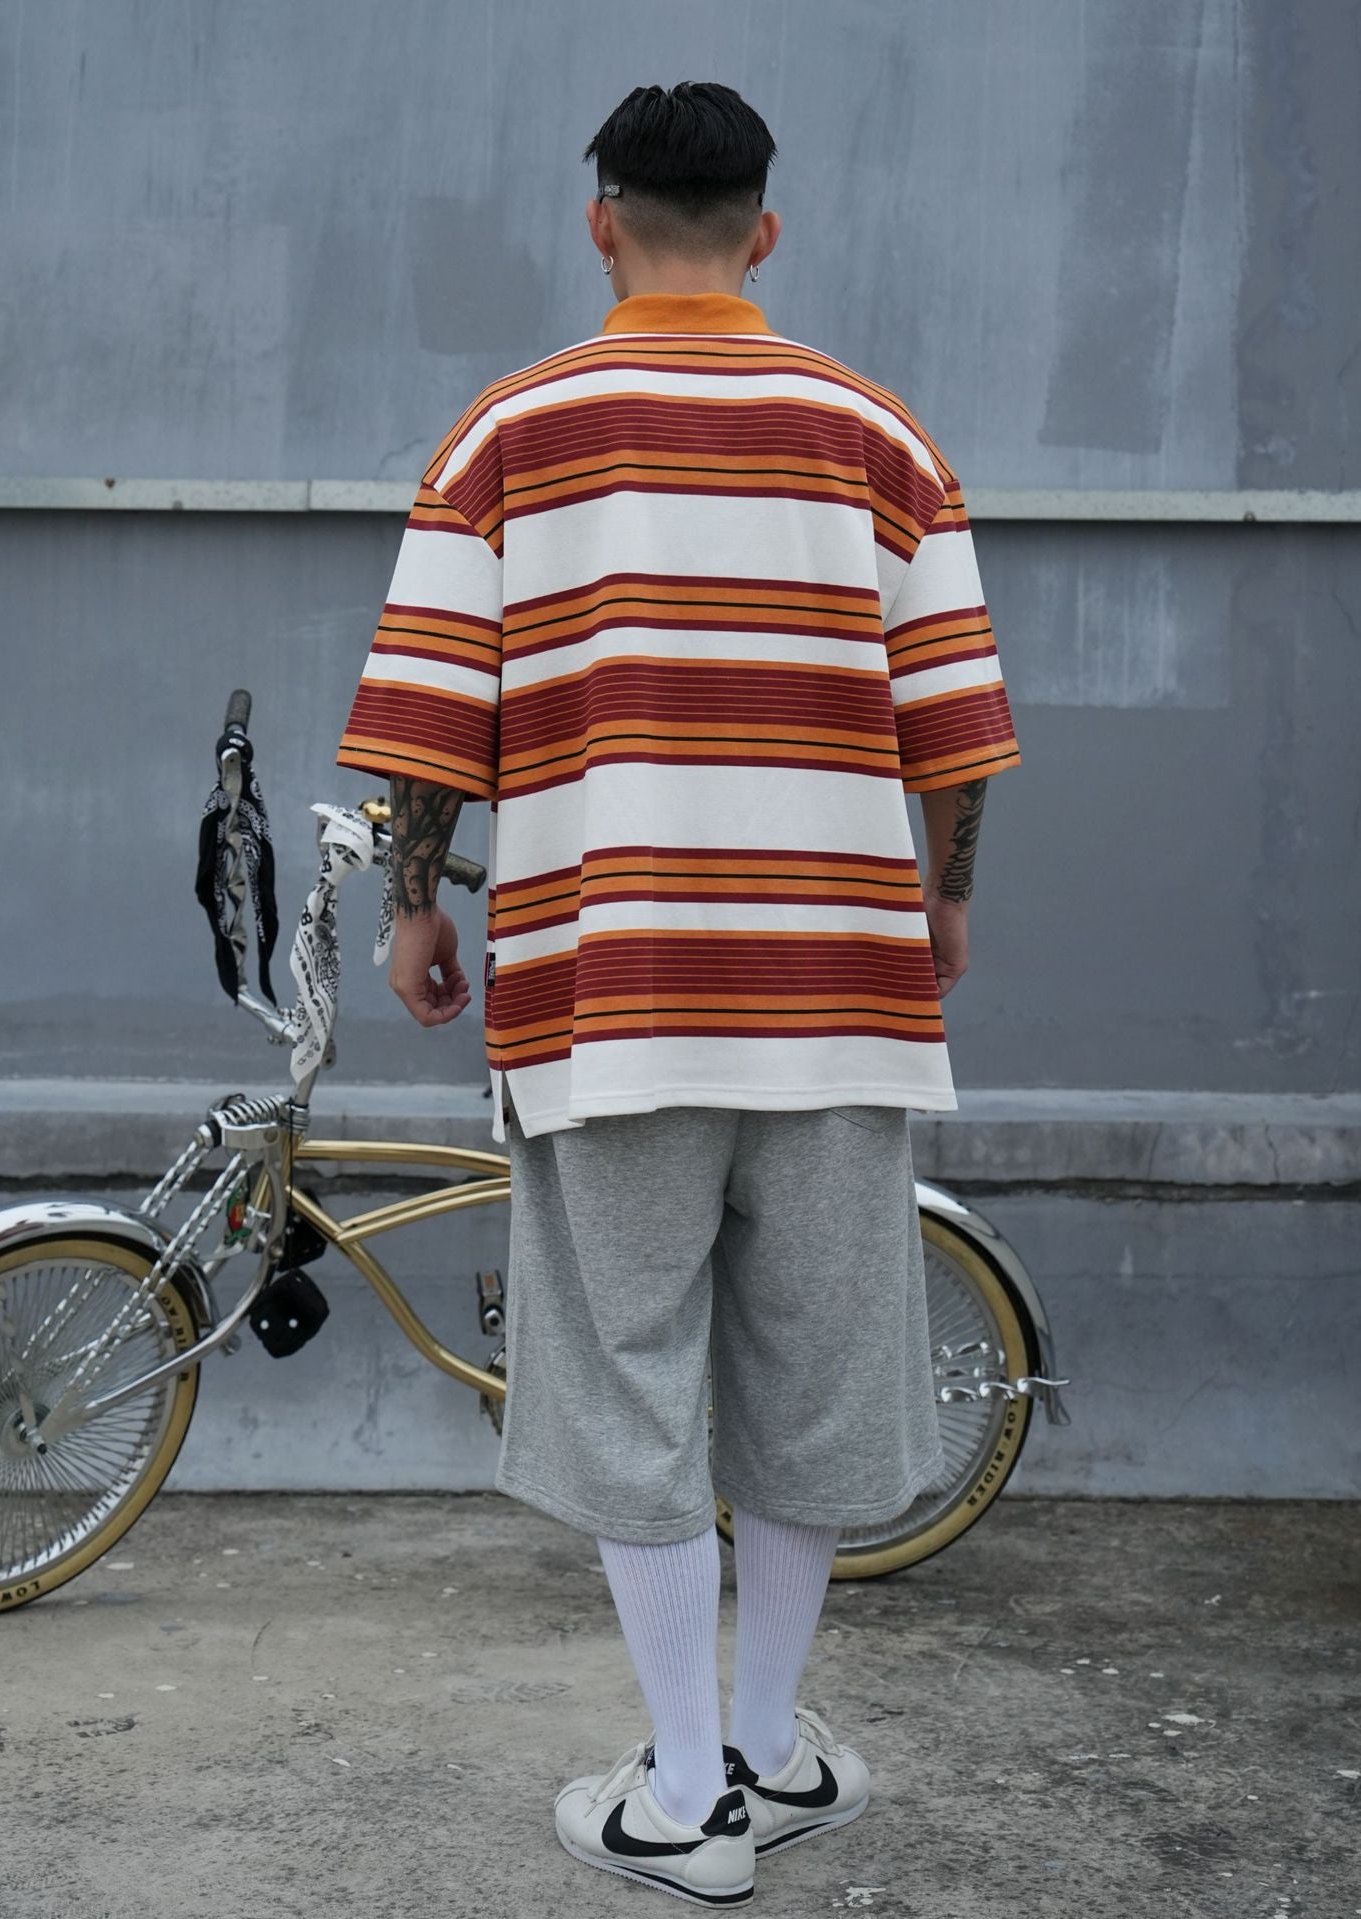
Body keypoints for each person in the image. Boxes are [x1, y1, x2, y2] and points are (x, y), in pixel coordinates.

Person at [337, 80, 1020, 1907]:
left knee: (622, 1371)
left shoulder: (511, 433)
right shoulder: (880, 437)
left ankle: (688, 1796)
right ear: (765, 232)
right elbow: (953, 725)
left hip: (606, 992)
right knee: (819, 1374)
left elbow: (432, 718)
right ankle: (772, 1751)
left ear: (601, 225)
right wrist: (946, 908)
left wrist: (411, 912)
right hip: (842, 992)